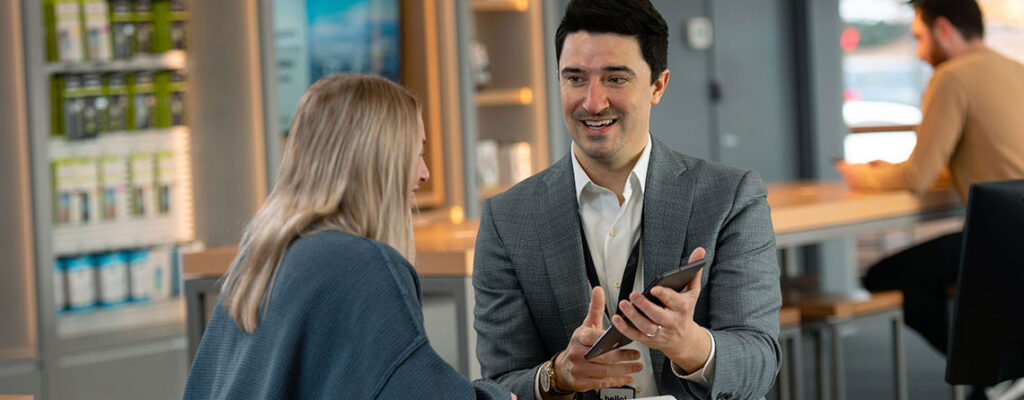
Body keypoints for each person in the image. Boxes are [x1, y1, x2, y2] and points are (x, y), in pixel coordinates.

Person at [472, 1, 782, 399]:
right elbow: (498, 383)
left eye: (615, 79)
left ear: (658, 86)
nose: (592, 102)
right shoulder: (508, 218)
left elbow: (759, 362)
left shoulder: (729, 199)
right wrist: (558, 375)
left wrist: (687, 344)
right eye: (575, 79)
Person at [183, 74, 514, 399]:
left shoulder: (261, 255)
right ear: (377, 163)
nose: (424, 172)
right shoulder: (361, 265)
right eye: (415, 153)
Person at [836, 0, 1024, 358]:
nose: (920, 53)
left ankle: (984, 365)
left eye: (920, 38)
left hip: (1008, 240)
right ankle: (996, 365)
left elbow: (917, 176)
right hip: (1015, 238)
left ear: (944, 30)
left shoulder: (952, 77)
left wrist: (858, 175)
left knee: (887, 276)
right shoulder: (1017, 69)